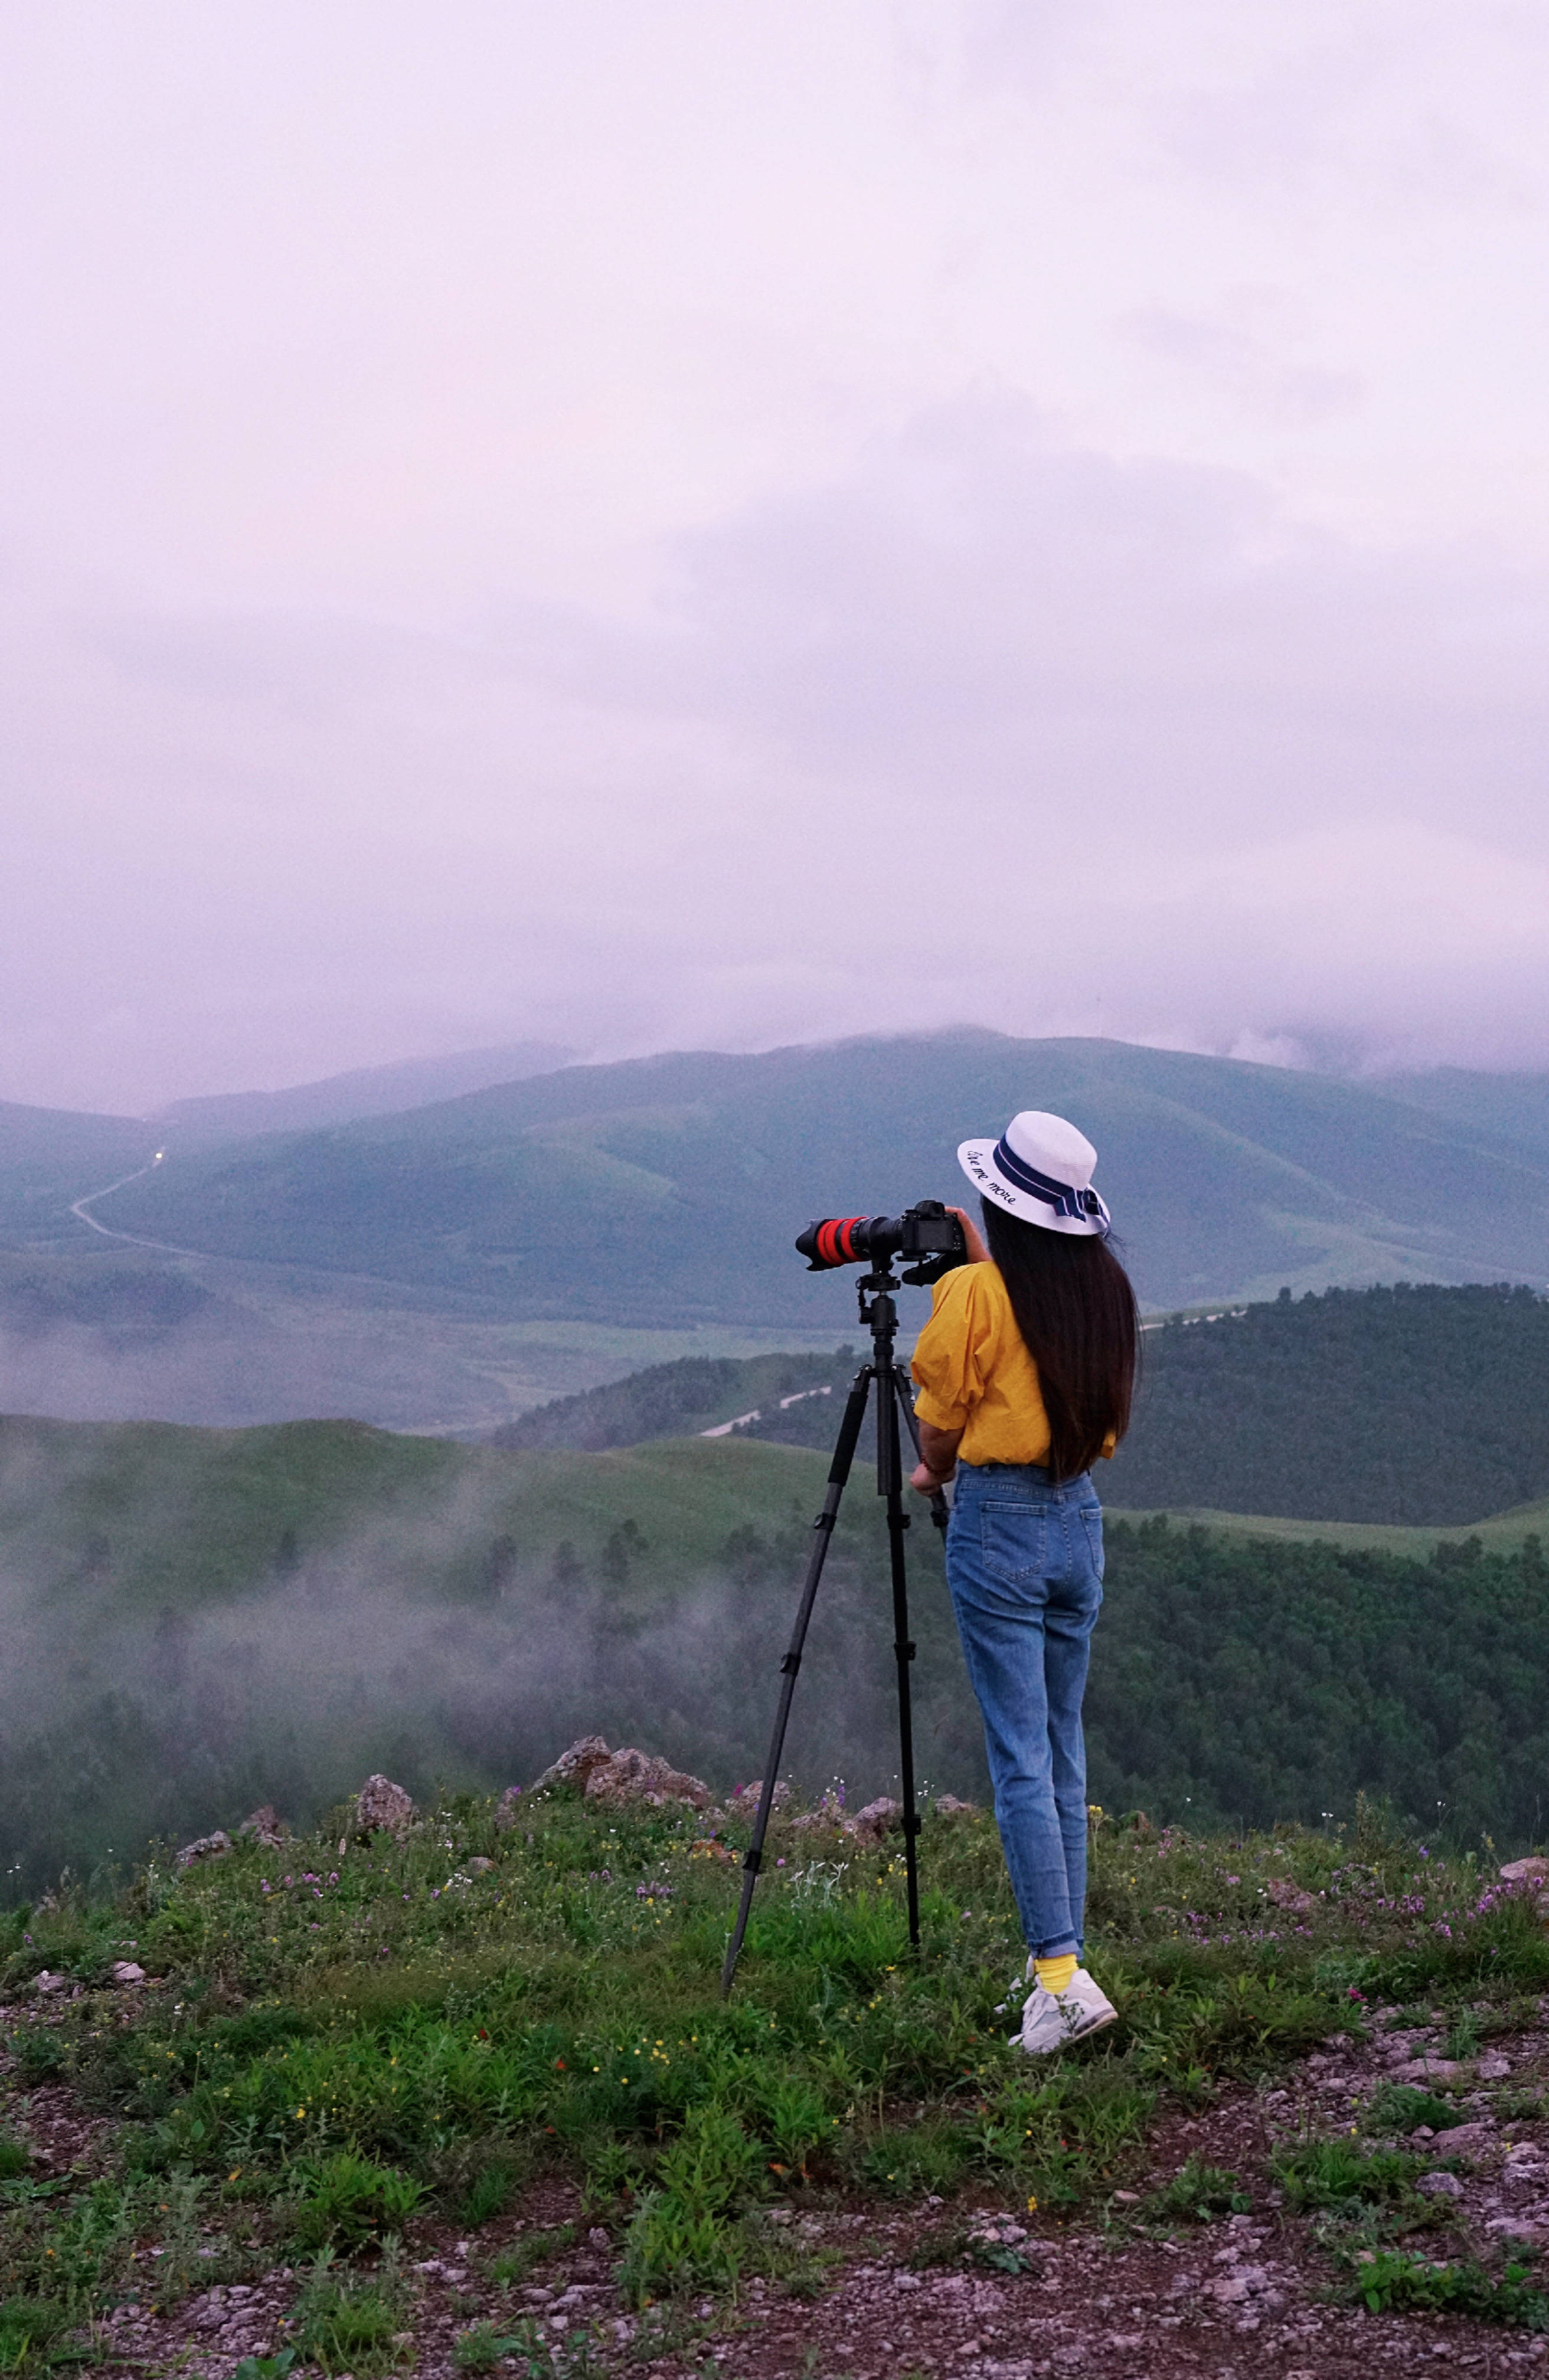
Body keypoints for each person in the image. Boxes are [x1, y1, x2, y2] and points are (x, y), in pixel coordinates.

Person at [909, 1109, 1138, 2055]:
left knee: (1018, 1760)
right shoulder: (1106, 1296)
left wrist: (933, 1471)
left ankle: (1059, 1983)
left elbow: (938, 1426)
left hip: (998, 1520)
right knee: (1060, 1748)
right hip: (1077, 1517)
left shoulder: (975, 1295)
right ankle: (1064, 1968)